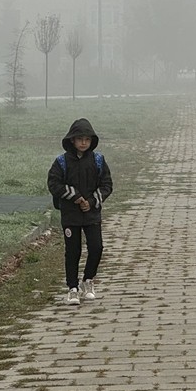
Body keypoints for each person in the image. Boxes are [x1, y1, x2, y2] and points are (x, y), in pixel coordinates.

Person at [47, 118, 114, 306]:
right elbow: (54, 183)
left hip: (91, 213)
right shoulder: (61, 162)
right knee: (73, 251)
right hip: (70, 214)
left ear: (92, 141)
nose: (83, 143)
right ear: (72, 140)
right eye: (80, 139)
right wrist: (75, 197)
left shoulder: (98, 160)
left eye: (87, 139)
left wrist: (91, 202)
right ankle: (72, 288)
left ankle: (88, 280)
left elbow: (107, 185)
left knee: (96, 247)